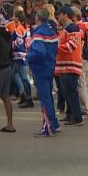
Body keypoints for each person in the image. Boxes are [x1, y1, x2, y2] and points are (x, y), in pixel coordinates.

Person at [27, 9, 60, 137]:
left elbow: (39, 52)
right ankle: (54, 123)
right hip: (50, 66)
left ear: (38, 18)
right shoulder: (52, 31)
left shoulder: (38, 33)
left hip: (40, 68)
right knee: (49, 97)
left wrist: (28, 56)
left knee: (45, 99)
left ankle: (48, 127)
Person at [55, 6, 85, 126]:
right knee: (66, 92)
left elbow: (71, 46)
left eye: (59, 14)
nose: (58, 16)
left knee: (71, 92)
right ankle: (70, 114)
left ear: (65, 15)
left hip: (71, 64)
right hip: (64, 65)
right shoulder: (65, 29)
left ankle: (77, 117)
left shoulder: (73, 28)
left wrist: (55, 47)